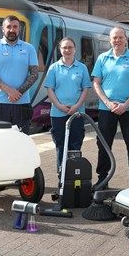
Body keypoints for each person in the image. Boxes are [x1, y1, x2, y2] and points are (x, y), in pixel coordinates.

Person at [91, 26, 129, 188]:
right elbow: (96, 83)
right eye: (114, 37)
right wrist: (107, 102)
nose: (117, 40)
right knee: (104, 145)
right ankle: (102, 179)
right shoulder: (102, 58)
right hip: (106, 109)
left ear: (126, 39)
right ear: (109, 40)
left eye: (120, 37)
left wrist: (126, 104)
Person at [0, 15, 38, 134]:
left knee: (21, 141)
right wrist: (9, 91)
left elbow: (34, 74)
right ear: (2, 29)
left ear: (19, 29)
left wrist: (18, 93)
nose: (12, 30)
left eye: (15, 27)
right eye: (8, 27)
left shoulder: (29, 49)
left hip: (22, 103)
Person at [44, 37, 92, 173]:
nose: (67, 50)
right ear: (60, 50)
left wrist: (77, 106)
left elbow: (85, 89)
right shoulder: (54, 68)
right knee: (60, 145)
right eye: (64, 47)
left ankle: (74, 174)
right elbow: (50, 89)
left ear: (75, 49)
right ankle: (61, 174)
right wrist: (59, 106)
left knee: (75, 145)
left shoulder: (82, 68)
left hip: (77, 113)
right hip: (58, 113)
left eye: (70, 47)